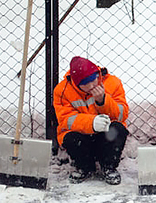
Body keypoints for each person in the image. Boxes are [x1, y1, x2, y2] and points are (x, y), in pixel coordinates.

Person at [53, 56, 129, 184]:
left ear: (97, 74)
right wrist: (92, 123)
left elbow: (122, 114)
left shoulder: (112, 82)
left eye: (93, 79)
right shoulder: (62, 90)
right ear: (76, 83)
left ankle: (109, 167)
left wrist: (103, 101)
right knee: (70, 138)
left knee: (118, 129)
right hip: (82, 137)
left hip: (105, 137)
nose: (91, 85)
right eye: (85, 83)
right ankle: (84, 167)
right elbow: (65, 119)